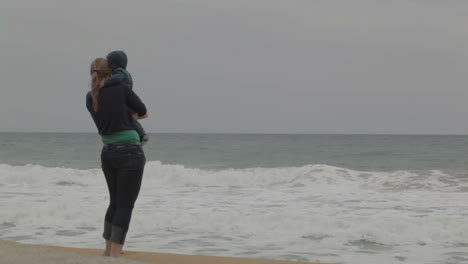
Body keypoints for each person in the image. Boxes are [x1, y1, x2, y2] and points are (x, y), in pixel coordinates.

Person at [86, 58, 148, 257]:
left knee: (114, 202)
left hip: (108, 152)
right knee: (124, 205)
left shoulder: (90, 97)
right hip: (130, 151)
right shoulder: (121, 89)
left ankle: (107, 251)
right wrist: (131, 115)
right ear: (112, 72)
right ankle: (115, 254)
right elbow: (144, 112)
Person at [104, 50, 149, 145]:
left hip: (125, 99)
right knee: (129, 117)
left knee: (129, 117)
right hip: (126, 98)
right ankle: (141, 134)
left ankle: (142, 134)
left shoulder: (119, 72)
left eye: (108, 63)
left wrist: (104, 83)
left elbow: (117, 79)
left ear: (114, 64)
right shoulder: (123, 72)